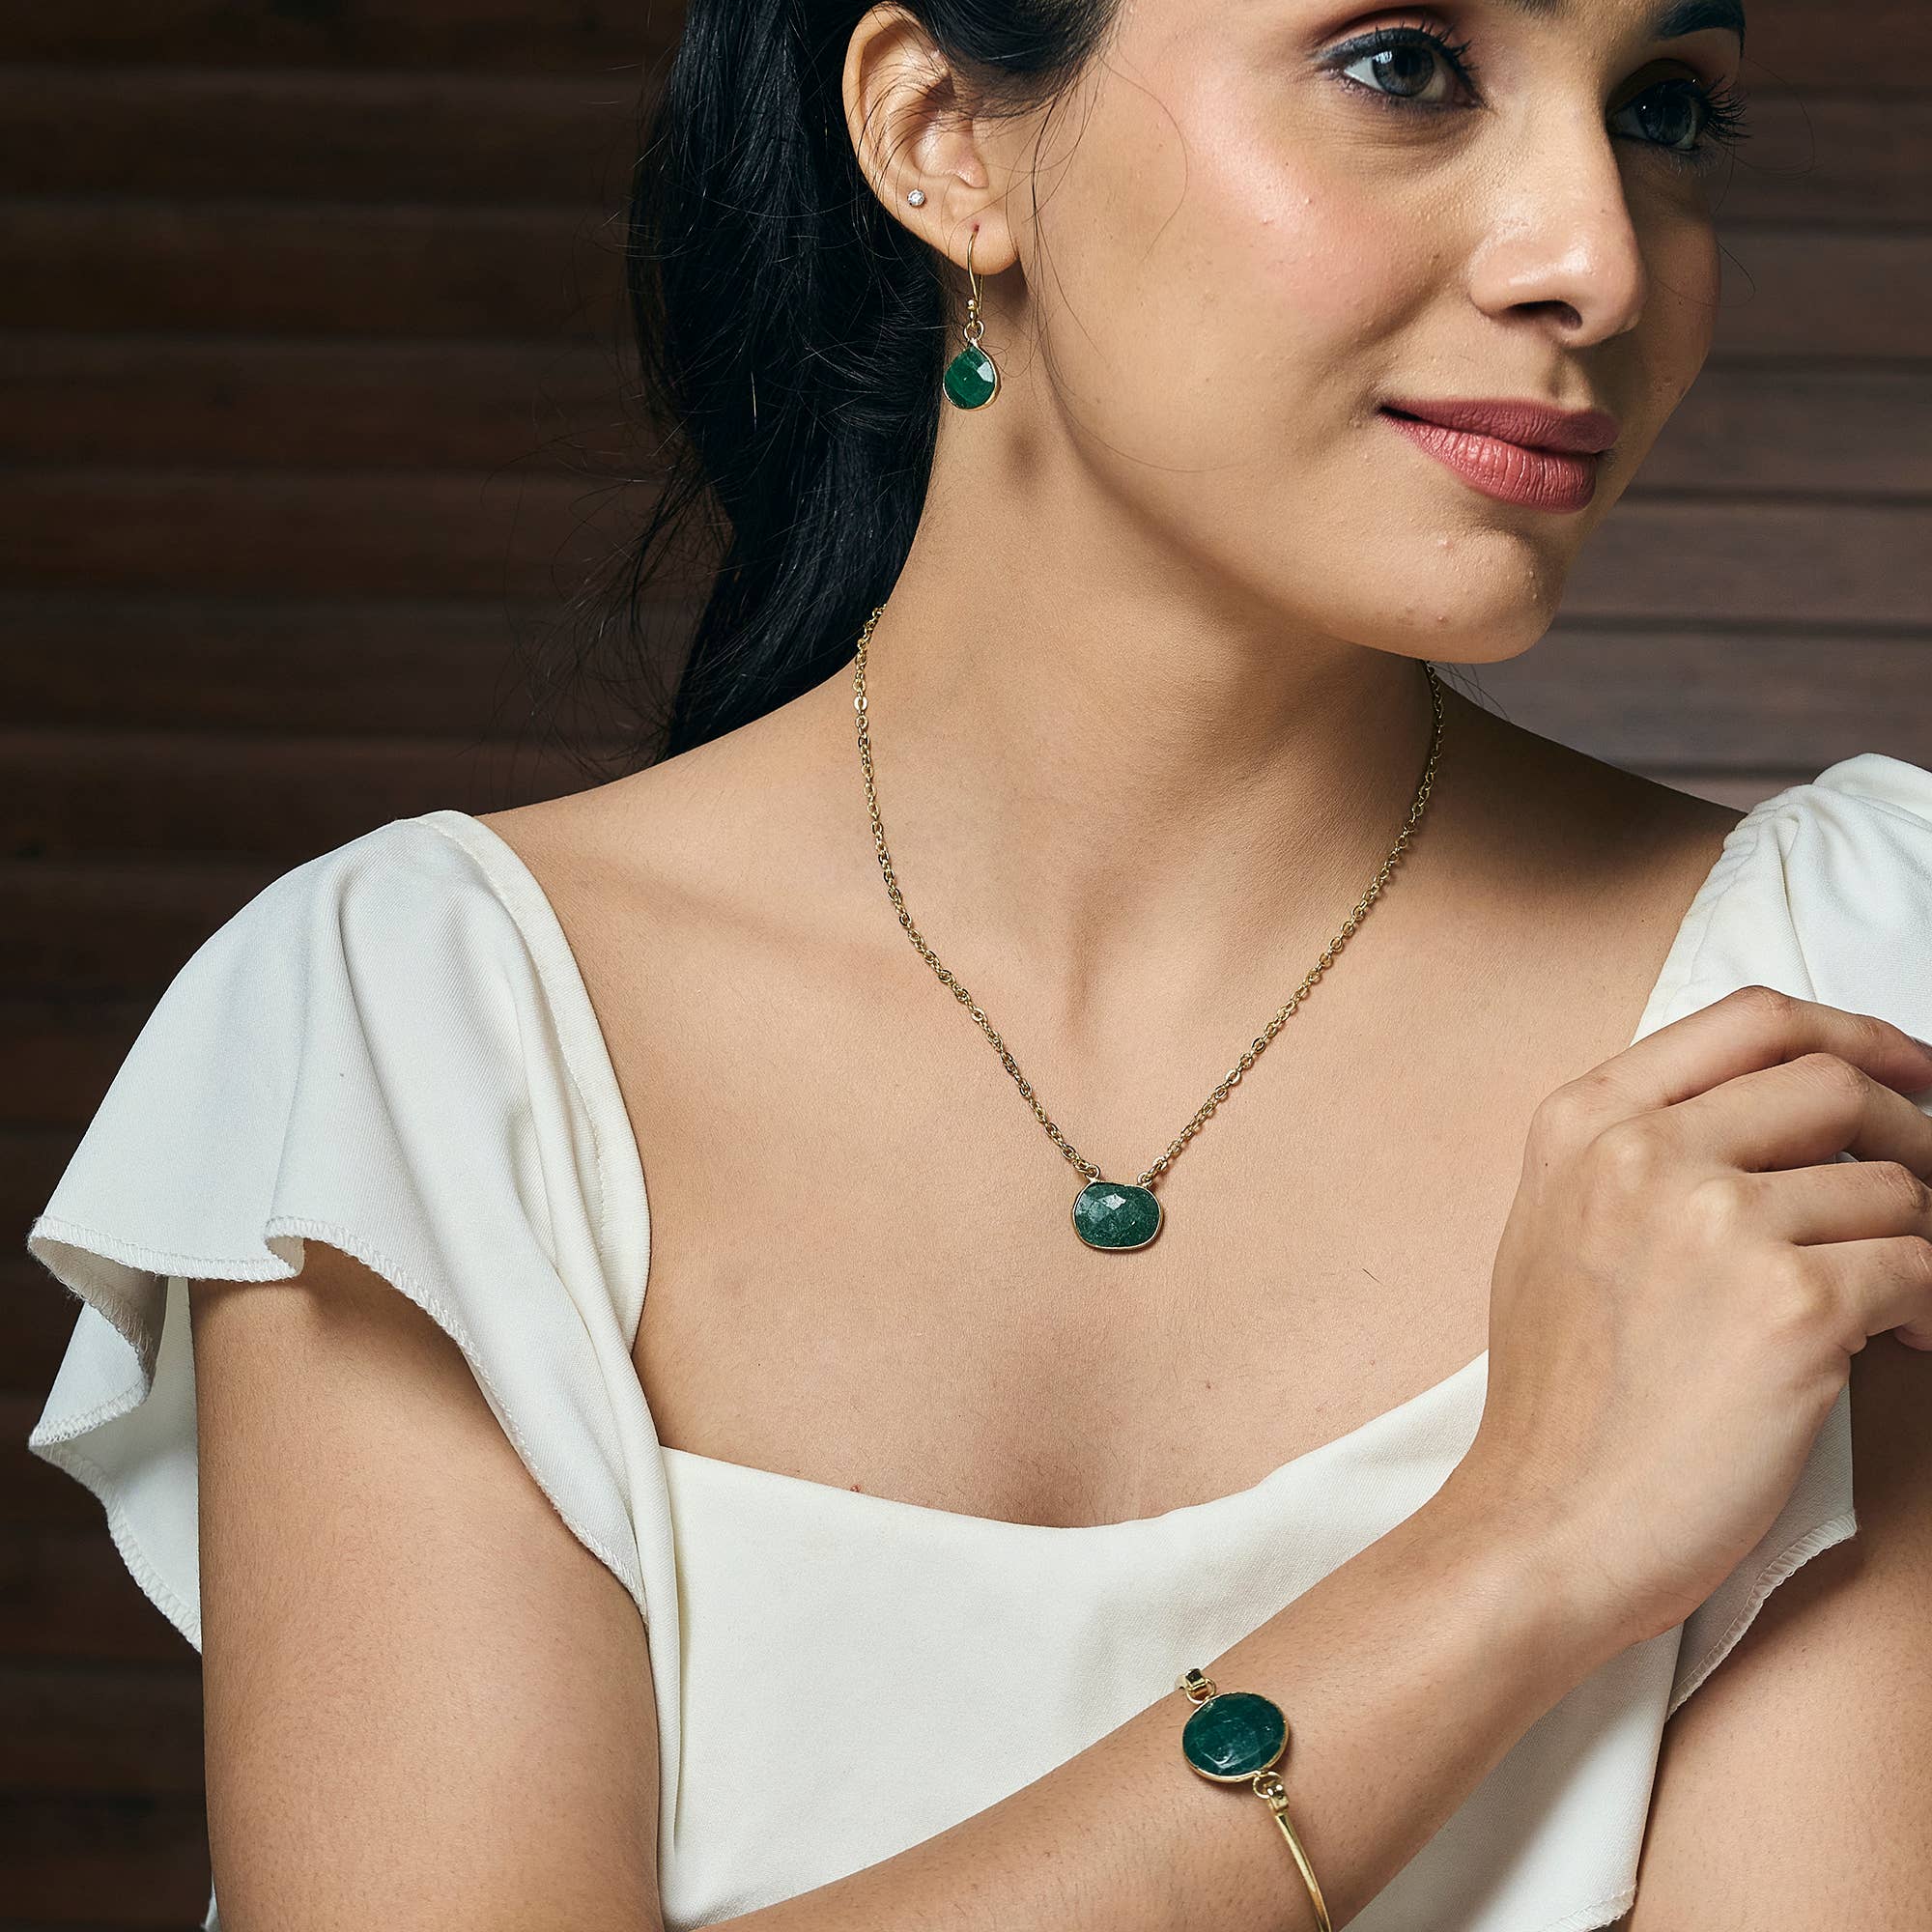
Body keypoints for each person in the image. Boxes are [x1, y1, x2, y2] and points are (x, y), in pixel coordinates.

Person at [21, 1, 1932, 1927]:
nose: (1595, 259)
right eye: (1403, 67)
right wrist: (1519, 1548)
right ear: (939, 132)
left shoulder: (1829, 991)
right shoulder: (426, 1032)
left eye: (1665, 109)